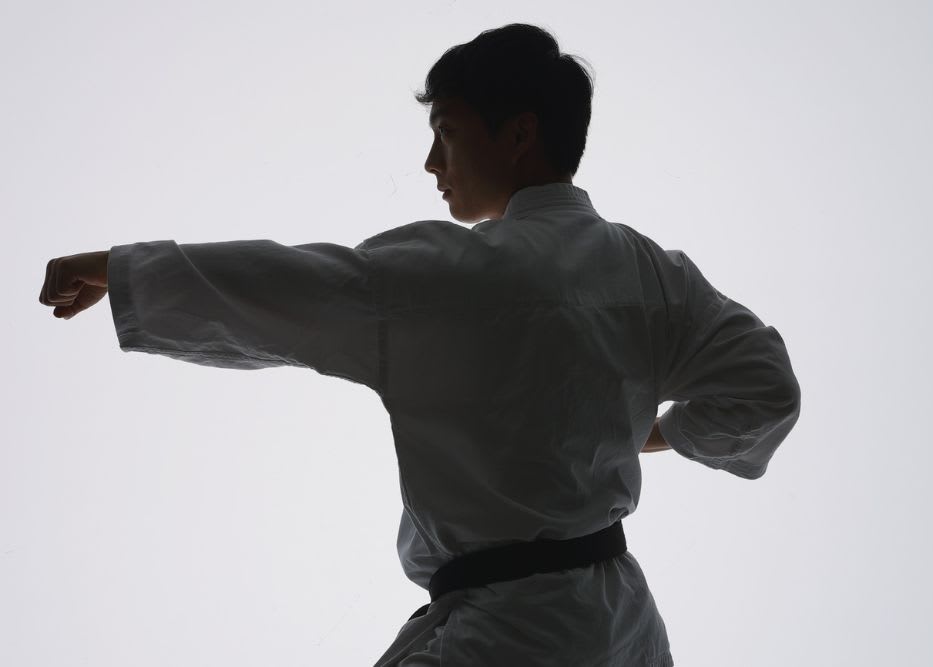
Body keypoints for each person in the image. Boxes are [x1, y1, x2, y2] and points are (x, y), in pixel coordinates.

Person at [38, 23, 801, 667]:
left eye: (448, 134)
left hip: (507, 637)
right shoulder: (650, 271)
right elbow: (768, 388)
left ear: (519, 134)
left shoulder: (454, 270)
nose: (432, 164)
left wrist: (119, 269)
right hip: (626, 630)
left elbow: (292, 287)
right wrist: (654, 433)